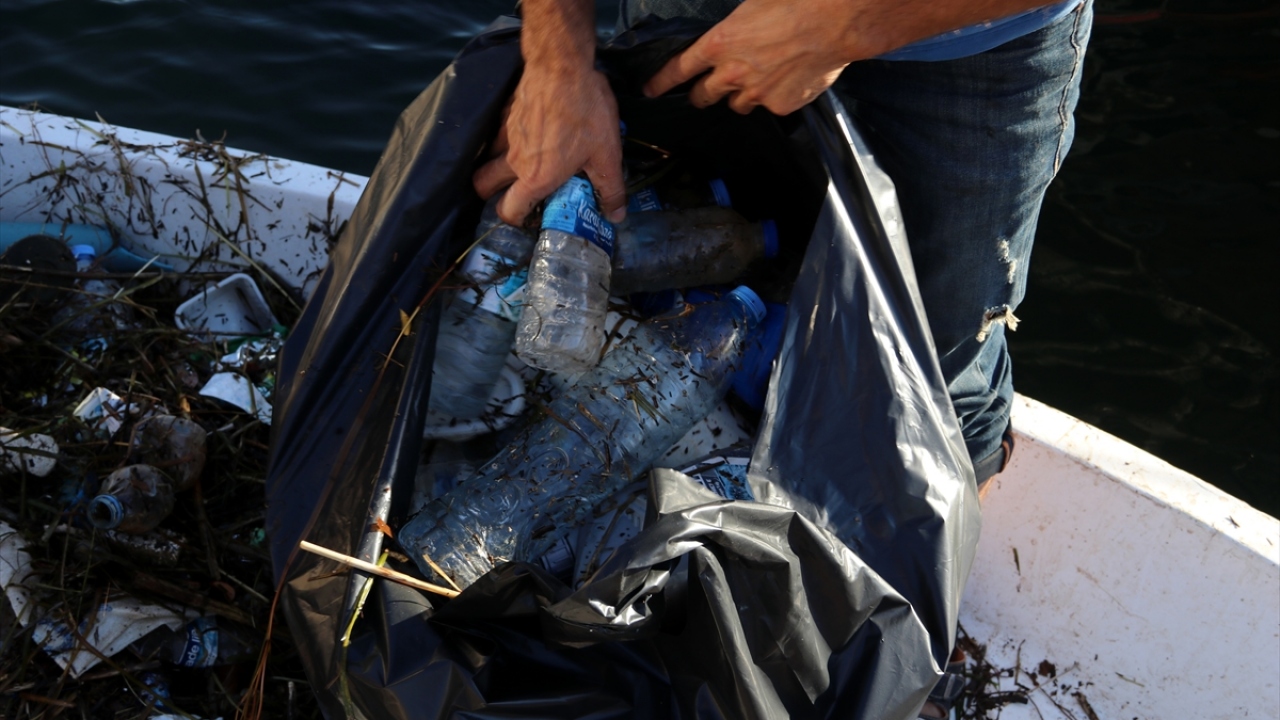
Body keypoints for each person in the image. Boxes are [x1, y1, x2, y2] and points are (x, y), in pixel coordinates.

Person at [473, 0, 1093, 715]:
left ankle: (892, 648)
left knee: (930, 388)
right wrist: (558, 56)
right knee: (646, 301)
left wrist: (847, 22)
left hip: (960, 53)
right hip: (707, 23)